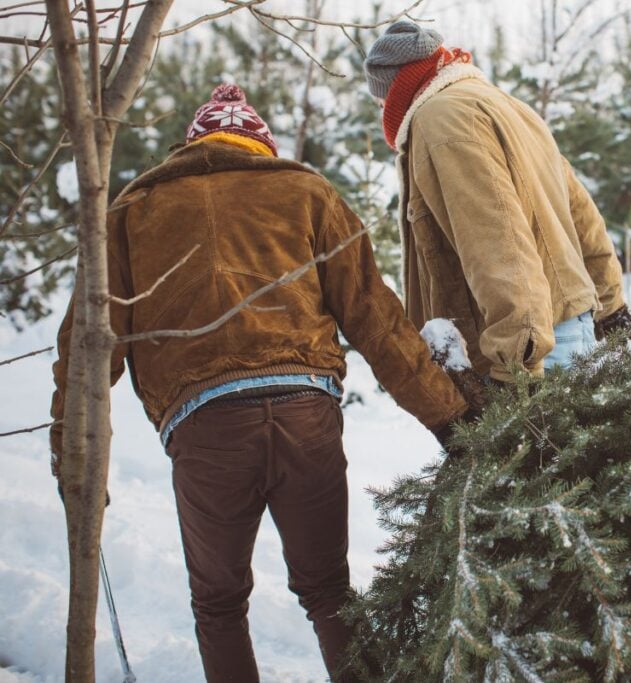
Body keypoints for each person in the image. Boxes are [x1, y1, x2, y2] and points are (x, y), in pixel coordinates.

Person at [49, 84, 469, 682]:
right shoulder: (305, 192)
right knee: (329, 593)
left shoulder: (135, 211)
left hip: (206, 426)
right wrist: (449, 416)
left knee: (218, 605)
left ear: (190, 148)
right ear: (260, 147)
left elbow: (89, 345)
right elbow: (376, 319)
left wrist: (74, 452)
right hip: (305, 417)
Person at [363, 21, 631, 383]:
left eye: (381, 99)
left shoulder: (443, 119)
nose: (382, 108)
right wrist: (610, 302)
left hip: (524, 351)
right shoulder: (507, 106)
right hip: (565, 330)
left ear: (397, 87)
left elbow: (497, 241)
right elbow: (579, 213)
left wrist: (515, 360)